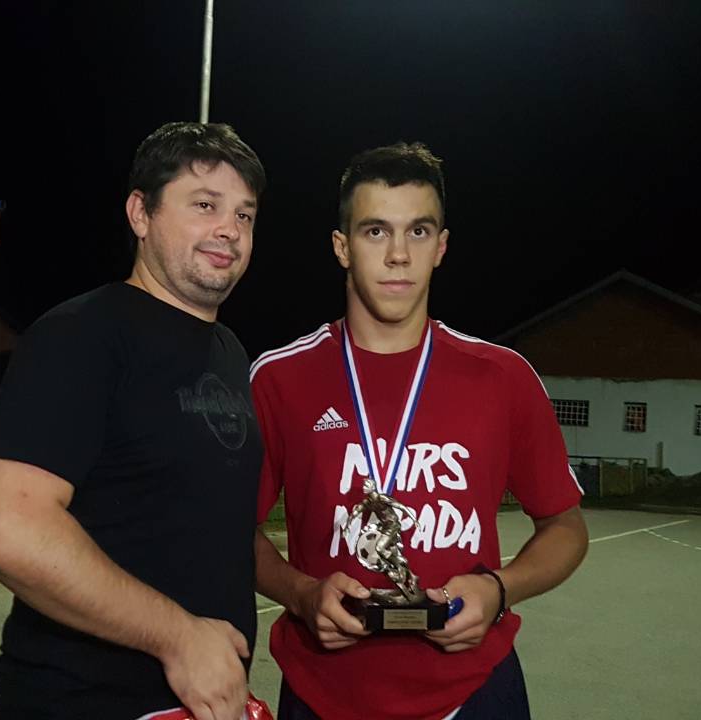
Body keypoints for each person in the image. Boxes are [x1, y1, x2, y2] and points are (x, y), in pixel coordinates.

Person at [250, 143, 590, 720]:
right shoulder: (279, 378)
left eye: (418, 231)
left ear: (441, 246)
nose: (399, 255)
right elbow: (233, 533)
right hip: (323, 692)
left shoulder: (502, 377)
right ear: (342, 246)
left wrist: (500, 590)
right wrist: (301, 594)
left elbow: (566, 527)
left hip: (474, 690)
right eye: (375, 231)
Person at [0, 121, 266, 720]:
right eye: (204, 205)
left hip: (203, 704)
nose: (229, 230)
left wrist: (305, 594)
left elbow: (206, 528)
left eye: (245, 215)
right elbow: (5, 527)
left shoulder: (228, 350)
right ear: (140, 213)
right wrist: (179, 637)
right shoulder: (82, 335)